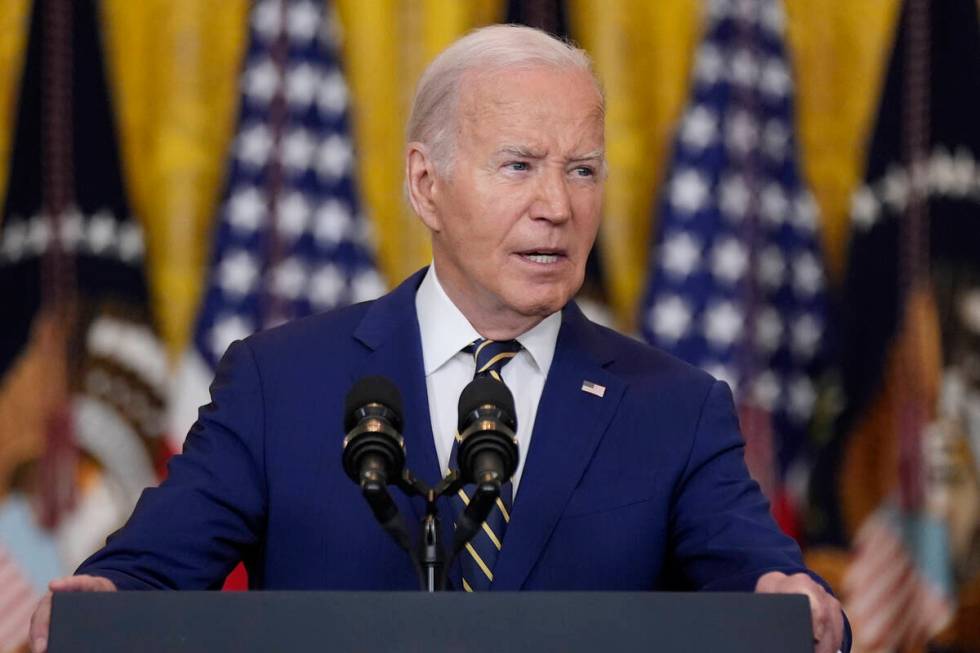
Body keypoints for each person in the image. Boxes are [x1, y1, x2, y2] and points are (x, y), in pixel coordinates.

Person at [29, 24, 848, 653]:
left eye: (584, 169)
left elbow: (769, 586)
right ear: (426, 184)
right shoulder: (284, 383)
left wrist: (800, 600)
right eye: (520, 165)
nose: (558, 206)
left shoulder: (675, 407)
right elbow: (146, 573)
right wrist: (98, 596)